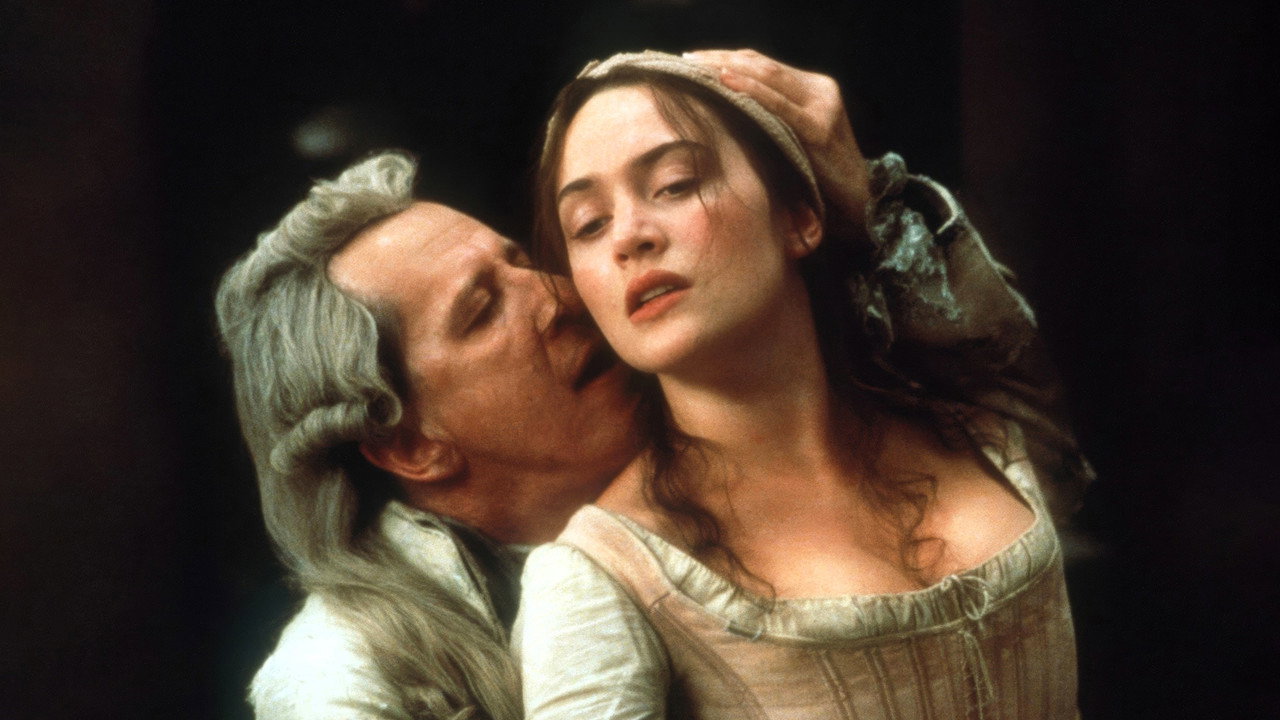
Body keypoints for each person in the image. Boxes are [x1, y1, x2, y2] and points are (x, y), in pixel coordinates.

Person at [216, 49, 1077, 720]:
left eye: (525, 259)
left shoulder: (895, 424)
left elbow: (1030, 433)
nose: (557, 297)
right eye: (482, 312)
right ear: (410, 444)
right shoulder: (340, 680)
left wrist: (867, 203)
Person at [516, 50, 1084, 719]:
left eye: (674, 184)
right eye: (589, 224)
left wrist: (867, 193)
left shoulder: (975, 424)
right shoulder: (601, 577)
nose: (628, 238)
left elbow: (1021, 378)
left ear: (798, 216)